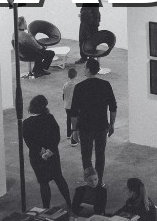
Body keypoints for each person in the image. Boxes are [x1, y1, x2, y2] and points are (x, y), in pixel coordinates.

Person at [70, 58, 117, 186]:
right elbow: (113, 107)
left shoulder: (79, 87)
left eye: (85, 67)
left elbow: (74, 112)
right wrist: (112, 124)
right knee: (100, 154)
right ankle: (99, 180)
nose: (83, 69)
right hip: (101, 126)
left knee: (86, 155)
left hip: (85, 127)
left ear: (88, 70)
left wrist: (74, 130)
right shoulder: (105, 85)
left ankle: (90, 181)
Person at [22, 95, 73, 212]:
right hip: (53, 155)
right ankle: (69, 202)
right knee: (58, 177)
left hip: (37, 157)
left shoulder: (27, 123)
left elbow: (29, 141)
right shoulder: (50, 118)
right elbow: (56, 136)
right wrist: (50, 150)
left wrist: (41, 151)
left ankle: (46, 208)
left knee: (43, 182)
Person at [63, 67, 79, 146]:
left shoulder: (65, 84)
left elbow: (64, 95)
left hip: (67, 105)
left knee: (68, 119)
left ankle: (68, 134)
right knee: (75, 121)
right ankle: (74, 139)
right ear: (76, 75)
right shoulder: (76, 85)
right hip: (74, 105)